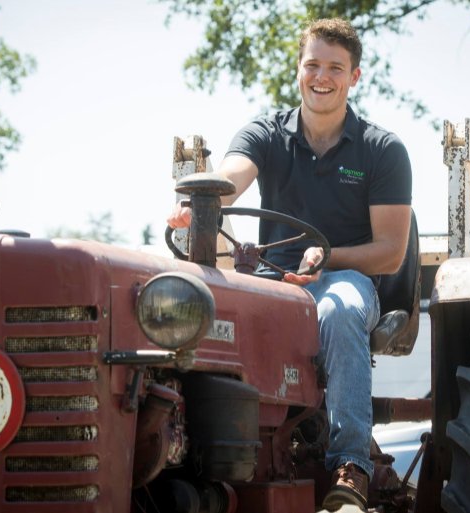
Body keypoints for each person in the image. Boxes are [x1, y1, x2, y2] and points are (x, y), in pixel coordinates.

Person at [168, 18, 412, 512]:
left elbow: (390, 250)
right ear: (298, 70)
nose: (323, 76)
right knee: (191, 312)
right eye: (313, 65)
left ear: (355, 77)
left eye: (335, 68)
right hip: (270, 282)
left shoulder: (382, 150)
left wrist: (329, 258)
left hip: (345, 280)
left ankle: (351, 469)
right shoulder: (266, 132)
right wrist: (202, 198)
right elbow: (234, 174)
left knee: (340, 309)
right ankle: (192, 460)